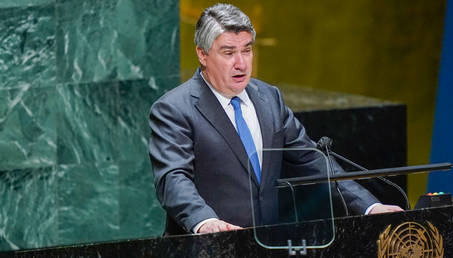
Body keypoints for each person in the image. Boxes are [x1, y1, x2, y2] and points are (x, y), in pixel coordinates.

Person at [148, 3, 403, 235]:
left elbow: (313, 160)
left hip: (267, 245)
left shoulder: (269, 98)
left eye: (246, 50)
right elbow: (173, 178)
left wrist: (370, 207)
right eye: (228, 53)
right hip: (207, 247)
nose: (241, 63)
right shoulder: (174, 109)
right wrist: (204, 221)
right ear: (202, 54)